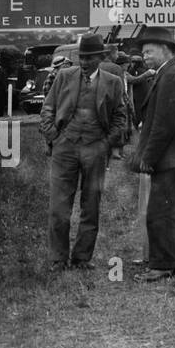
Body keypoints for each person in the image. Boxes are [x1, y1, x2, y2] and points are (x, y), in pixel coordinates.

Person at [38, 34, 128, 272]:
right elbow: (48, 108)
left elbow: (121, 116)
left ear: (101, 57)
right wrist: (54, 138)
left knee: (91, 205)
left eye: (90, 57)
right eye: (81, 57)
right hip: (64, 147)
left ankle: (82, 258)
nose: (85, 62)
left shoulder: (113, 82)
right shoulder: (64, 76)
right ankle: (58, 259)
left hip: (95, 148)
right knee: (59, 206)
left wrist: (106, 143)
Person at [130, 27, 175, 283]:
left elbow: (163, 123)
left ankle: (162, 265)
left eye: (149, 51)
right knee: (173, 208)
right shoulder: (172, 71)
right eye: (144, 52)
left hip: (171, 154)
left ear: (165, 50)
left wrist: (148, 157)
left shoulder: (170, 75)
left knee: (160, 210)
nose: (145, 56)